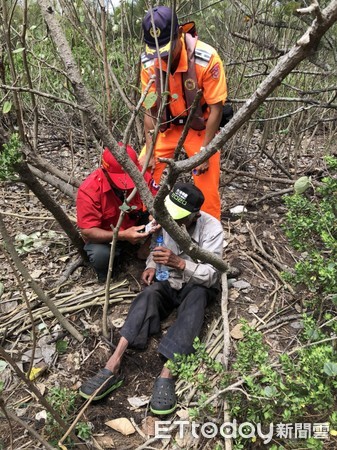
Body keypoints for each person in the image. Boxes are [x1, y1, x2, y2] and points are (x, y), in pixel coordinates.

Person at [79, 182, 224, 415]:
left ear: (195, 215)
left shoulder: (212, 228)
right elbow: (158, 245)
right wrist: (151, 265)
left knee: (196, 301)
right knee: (148, 295)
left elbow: (212, 273)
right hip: (169, 280)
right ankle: (113, 362)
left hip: (196, 284)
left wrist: (180, 263)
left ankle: (168, 372)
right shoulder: (166, 219)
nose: (173, 222)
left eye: (180, 218)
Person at [140, 6, 228, 220]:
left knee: (206, 184)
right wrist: (150, 150)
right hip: (168, 128)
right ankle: (150, 226)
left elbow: (216, 108)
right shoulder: (149, 64)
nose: (164, 56)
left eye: (167, 49)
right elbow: (150, 108)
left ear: (180, 33)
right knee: (144, 171)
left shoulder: (206, 59)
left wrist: (205, 151)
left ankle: (208, 238)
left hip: (201, 129)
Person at [76, 144, 156, 283]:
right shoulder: (90, 190)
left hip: (134, 221)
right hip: (106, 236)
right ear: (105, 171)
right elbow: (87, 231)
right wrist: (123, 235)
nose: (127, 186)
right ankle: (107, 277)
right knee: (101, 255)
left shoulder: (142, 176)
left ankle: (146, 250)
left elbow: (158, 201)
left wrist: (154, 215)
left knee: (165, 221)